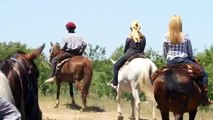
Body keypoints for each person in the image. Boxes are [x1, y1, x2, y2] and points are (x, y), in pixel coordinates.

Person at [163, 15, 210, 106]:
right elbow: (190, 53)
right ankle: (204, 98)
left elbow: (164, 53)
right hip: (184, 60)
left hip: (170, 62)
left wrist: (169, 58)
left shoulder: (165, 37)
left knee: (155, 75)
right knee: (204, 74)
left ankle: (159, 101)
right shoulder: (186, 36)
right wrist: (192, 60)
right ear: (180, 24)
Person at [109, 20, 146, 89]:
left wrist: (126, 53)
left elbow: (125, 49)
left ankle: (115, 83)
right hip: (141, 56)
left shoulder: (129, 37)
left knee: (116, 66)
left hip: (129, 55)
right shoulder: (143, 37)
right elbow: (143, 48)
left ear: (132, 28)